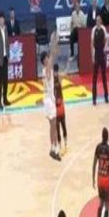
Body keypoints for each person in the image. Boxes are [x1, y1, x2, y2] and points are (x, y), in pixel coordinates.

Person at [41, 31, 61, 161]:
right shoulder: (46, 69)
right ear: (44, 61)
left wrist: (54, 44)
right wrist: (53, 42)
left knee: (52, 126)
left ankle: (53, 148)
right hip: (49, 100)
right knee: (54, 125)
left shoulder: (47, 69)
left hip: (48, 99)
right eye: (47, 58)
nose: (49, 59)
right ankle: (54, 149)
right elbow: (53, 55)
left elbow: (54, 54)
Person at [91, 15, 109, 105]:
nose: (98, 21)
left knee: (104, 77)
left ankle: (106, 97)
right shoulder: (93, 30)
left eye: (99, 20)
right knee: (94, 78)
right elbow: (92, 43)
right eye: (97, 20)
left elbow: (107, 40)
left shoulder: (103, 29)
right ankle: (94, 99)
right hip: (96, 54)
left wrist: (105, 49)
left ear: (101, 21)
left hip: (102, 54)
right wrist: (92, 56)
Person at [54, 63, 67, 155]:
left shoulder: (59, 76)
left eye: (56, 72)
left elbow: (66, 73)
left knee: (62, 125)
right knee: (58, 127)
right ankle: (60, 145)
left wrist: (68, 63)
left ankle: (64, 144)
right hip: (56, 104)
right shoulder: (52, 79)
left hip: (60, 104)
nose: (55, 73)